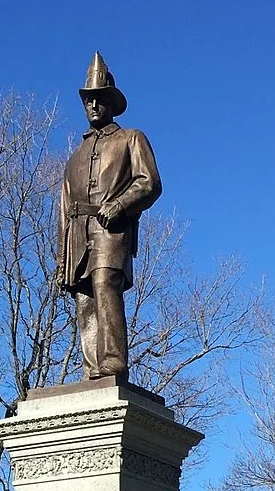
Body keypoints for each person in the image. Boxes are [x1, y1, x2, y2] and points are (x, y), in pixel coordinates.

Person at [57, 52, 162, 380]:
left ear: (112, 102)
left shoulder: (130, 138)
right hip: (77, 236)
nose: (92, 105)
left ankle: (113, 363)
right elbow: (63, 209)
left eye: (99, 99)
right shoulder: (75, 156)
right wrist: (62, 257)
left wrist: (121, 204)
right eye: (88, 100)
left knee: (104, 285)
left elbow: (150, 182)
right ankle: (92, 372)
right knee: (84, 301)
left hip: (110, 231)